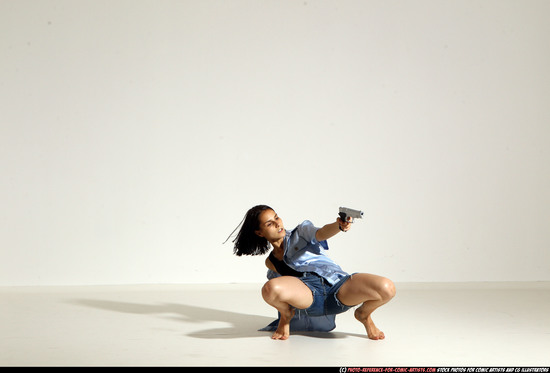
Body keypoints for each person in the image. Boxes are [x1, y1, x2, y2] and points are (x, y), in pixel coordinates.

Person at [230, 205, 396, 340]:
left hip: (337, 288)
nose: (277, 223)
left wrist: (339, 226)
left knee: (387, 288)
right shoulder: (271, 261)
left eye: (276, 217)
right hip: (308, 299)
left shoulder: (301, 232)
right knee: (269, 289)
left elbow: (321, 233)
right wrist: (283, 315)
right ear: (259, 233)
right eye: (269, 224)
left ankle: (363, 315)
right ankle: (287, 316)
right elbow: (282, 291)